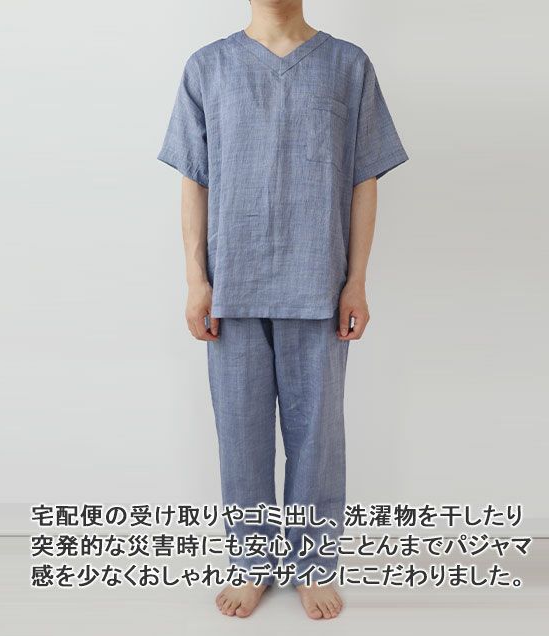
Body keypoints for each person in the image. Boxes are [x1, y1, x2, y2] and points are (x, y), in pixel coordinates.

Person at [157, 0, 408, 620]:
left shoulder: (347, 66)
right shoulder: (208, 67)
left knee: (318, 436)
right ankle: (252, 562)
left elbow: (364, 179)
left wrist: (356, 281)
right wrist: (195, 279)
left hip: (318, 283)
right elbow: (195, 179)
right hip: (233, 285)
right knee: (240, 434)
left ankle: (312, 563)